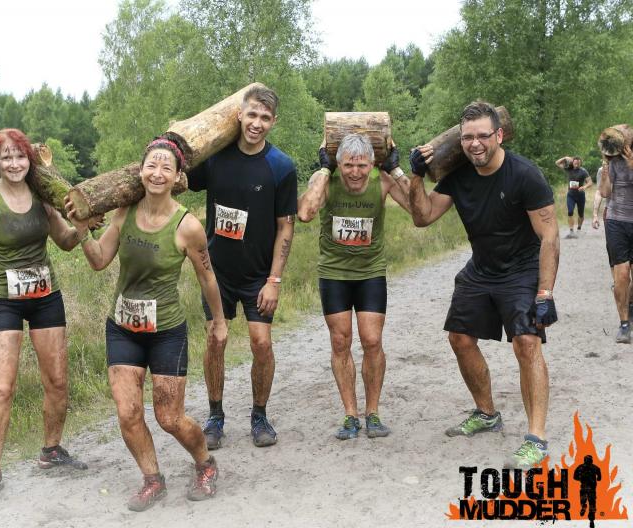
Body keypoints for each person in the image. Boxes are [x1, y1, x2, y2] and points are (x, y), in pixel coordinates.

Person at [66, 135, 227, 511]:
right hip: (123, 327)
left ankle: (205, 463)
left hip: (166, 331)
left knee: (170, 417)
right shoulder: (124, 212)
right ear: (140, 172)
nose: (157, 173)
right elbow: (99, 260)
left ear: (177, 177)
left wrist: (218, 321)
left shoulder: (187, 226)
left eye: (166, 167)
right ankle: (153, 479)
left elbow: (207, 277)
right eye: (151, 165)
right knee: (128, 412)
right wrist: (84, 229)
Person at [407, 101, 559, 469]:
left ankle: (536, 438)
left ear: (499, 135)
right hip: (481, 268)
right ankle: (487, 413)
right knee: (459, 338)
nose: (475, 144)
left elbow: (550, 236)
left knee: (526, 343)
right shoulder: (458, 176)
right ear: (459, 141)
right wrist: (415, 176)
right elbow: (423, 217)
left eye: (482, 136)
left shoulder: (524, 175)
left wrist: (545, 293)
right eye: (467, 138)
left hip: (522, 269)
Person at [0, 128, 89, 501]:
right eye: (6, 157)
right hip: (5, 300)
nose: (14, 164)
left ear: (30, 160)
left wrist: (83, 226)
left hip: (46, 296)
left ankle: (51, 450)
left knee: (57, 381)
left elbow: (65, 241)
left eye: (20, 156)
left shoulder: (42, 197)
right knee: (2, 387)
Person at [187, 85, 297, 449]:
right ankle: (215, 417)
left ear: (273, 121)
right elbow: (180, 177)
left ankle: (259, 416)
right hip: (217, 273)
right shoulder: (215, 158)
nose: (256, 123)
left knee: (261, 344)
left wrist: (274, 280)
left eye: (265, 117)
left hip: (257, 276)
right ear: (239, 115)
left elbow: (286, 226)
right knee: (215, 340)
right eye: (252, 115)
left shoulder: (281, 167)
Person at [297, 134, 411, 439]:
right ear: (338, 163)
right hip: (334, 273)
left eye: (362, 165)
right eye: (348, 165)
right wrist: (324, 170)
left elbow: (418, 210)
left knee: (372, 341)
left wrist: (397, 169)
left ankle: (373, 413)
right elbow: (305, 213)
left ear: (372, 163)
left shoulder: (382, 181)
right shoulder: (325, 181)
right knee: (340, 342)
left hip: (370, 272)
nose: (355, 172)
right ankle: (350, 415)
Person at [598, 146, 633, 343]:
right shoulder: (613, 163)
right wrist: (605, 170)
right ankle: (624, 324)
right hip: (616, 221)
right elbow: (604, 192)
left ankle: (630, 303)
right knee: (622, 275)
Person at [555, 156, 592, 238]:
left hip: (580, 195)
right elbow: (557, 163)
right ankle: (571, 231)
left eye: (578, 163)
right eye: (575, 163)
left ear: (580, 163)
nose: (577, 164)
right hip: (571, 195)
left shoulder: (583, 171)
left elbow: (590, 182)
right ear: (573, 162)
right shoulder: (568, 169)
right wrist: (565, 157)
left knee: (581, 214)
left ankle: (579, 229)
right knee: (570, 211)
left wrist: (584, 187)